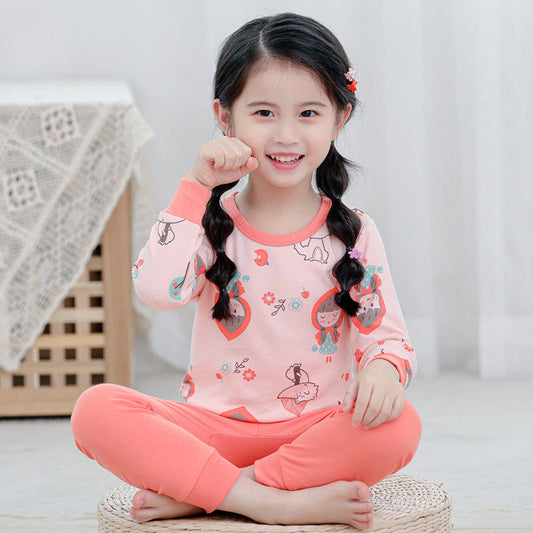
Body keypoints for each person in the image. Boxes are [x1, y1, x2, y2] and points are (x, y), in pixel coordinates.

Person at [71, 12, 422, 530]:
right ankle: (272, 500)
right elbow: (155, 289)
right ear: (226, 117)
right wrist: (195, 185)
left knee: (402, 425)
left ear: (339, 118)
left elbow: (387, 339)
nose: (285, 135)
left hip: (317, 431)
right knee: (96, 410)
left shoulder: (356, 232)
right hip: (213, 430)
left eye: (308, 113)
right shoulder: (208, 226)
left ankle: (218, 491)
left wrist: (383, 372)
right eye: (263, 112)